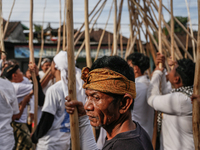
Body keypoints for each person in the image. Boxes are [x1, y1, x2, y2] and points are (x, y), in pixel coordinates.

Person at [66, 56, 153, 150]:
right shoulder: (133, 132)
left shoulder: (126, 146)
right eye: (87, 96)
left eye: (96, 97)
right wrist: (82, 117)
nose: (87, 106)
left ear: (124, 103)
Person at [31, 51, 97, 150]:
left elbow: (47, 119)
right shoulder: (77, 88)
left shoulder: (54, 89)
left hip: (49, 143)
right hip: (64, 142)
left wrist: (35, 136)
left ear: (55, 67)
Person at [147, 52, 195, 150]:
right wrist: (163, 68)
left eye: (172, 70)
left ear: (176, 79)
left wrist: (157, 72)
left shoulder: (180, 100)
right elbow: (165, 95)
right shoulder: (188, 94)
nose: (169, 72)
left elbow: (151, 98)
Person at [2, 64, 35, 150]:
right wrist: (24, 102)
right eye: (20, 71)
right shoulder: (13, 86)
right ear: (14, 75)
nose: (22, 74)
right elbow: (16, 116)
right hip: (18, 124)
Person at [126, 52, 154, 139]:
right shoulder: (150, 85)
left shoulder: (134, 87)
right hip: (147, 134)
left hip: (134, 134)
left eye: (129, 65)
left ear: (135, 68)